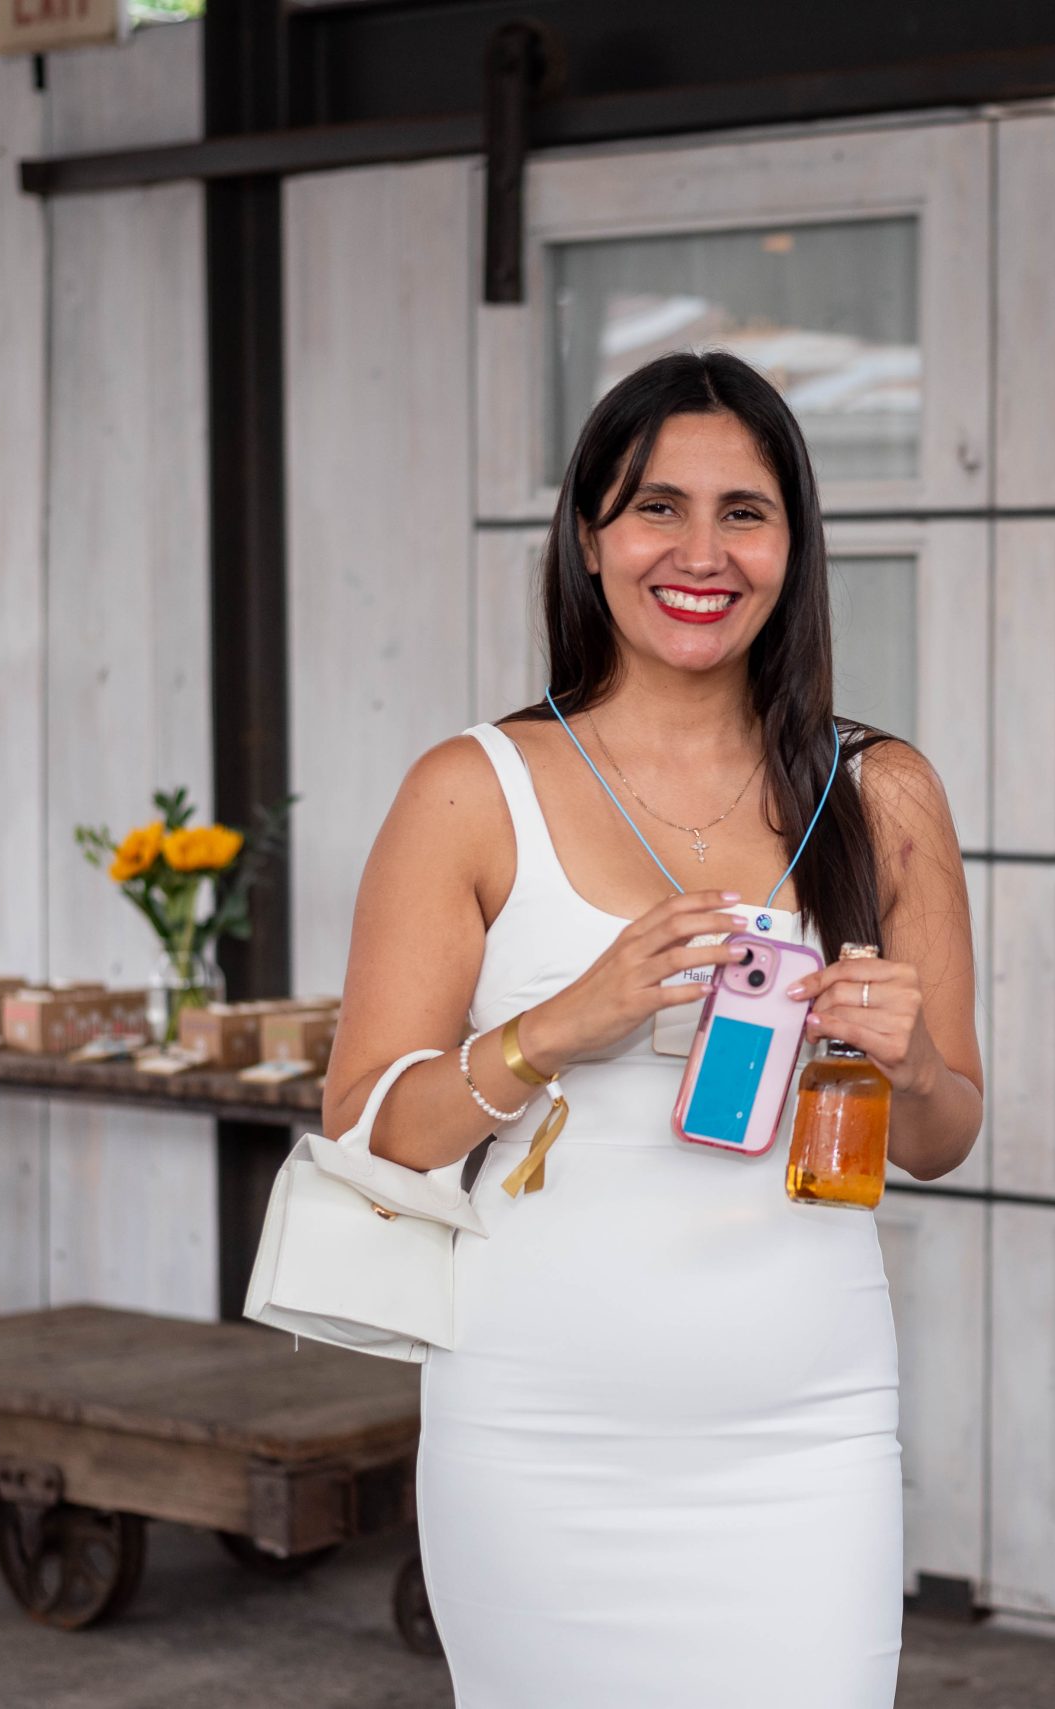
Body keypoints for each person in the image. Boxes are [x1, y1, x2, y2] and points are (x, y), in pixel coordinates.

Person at [321, 351, 984, 1706]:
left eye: (745, 512)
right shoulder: (470, 788)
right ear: (589, 538)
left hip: (808, 1435)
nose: (701, 552)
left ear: (793, 545)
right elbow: (368, 1130)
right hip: (533, 1434)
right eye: (656, 508)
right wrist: (563, 1024)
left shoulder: (883, 792)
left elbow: (945, 1134)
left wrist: (911, 1061)